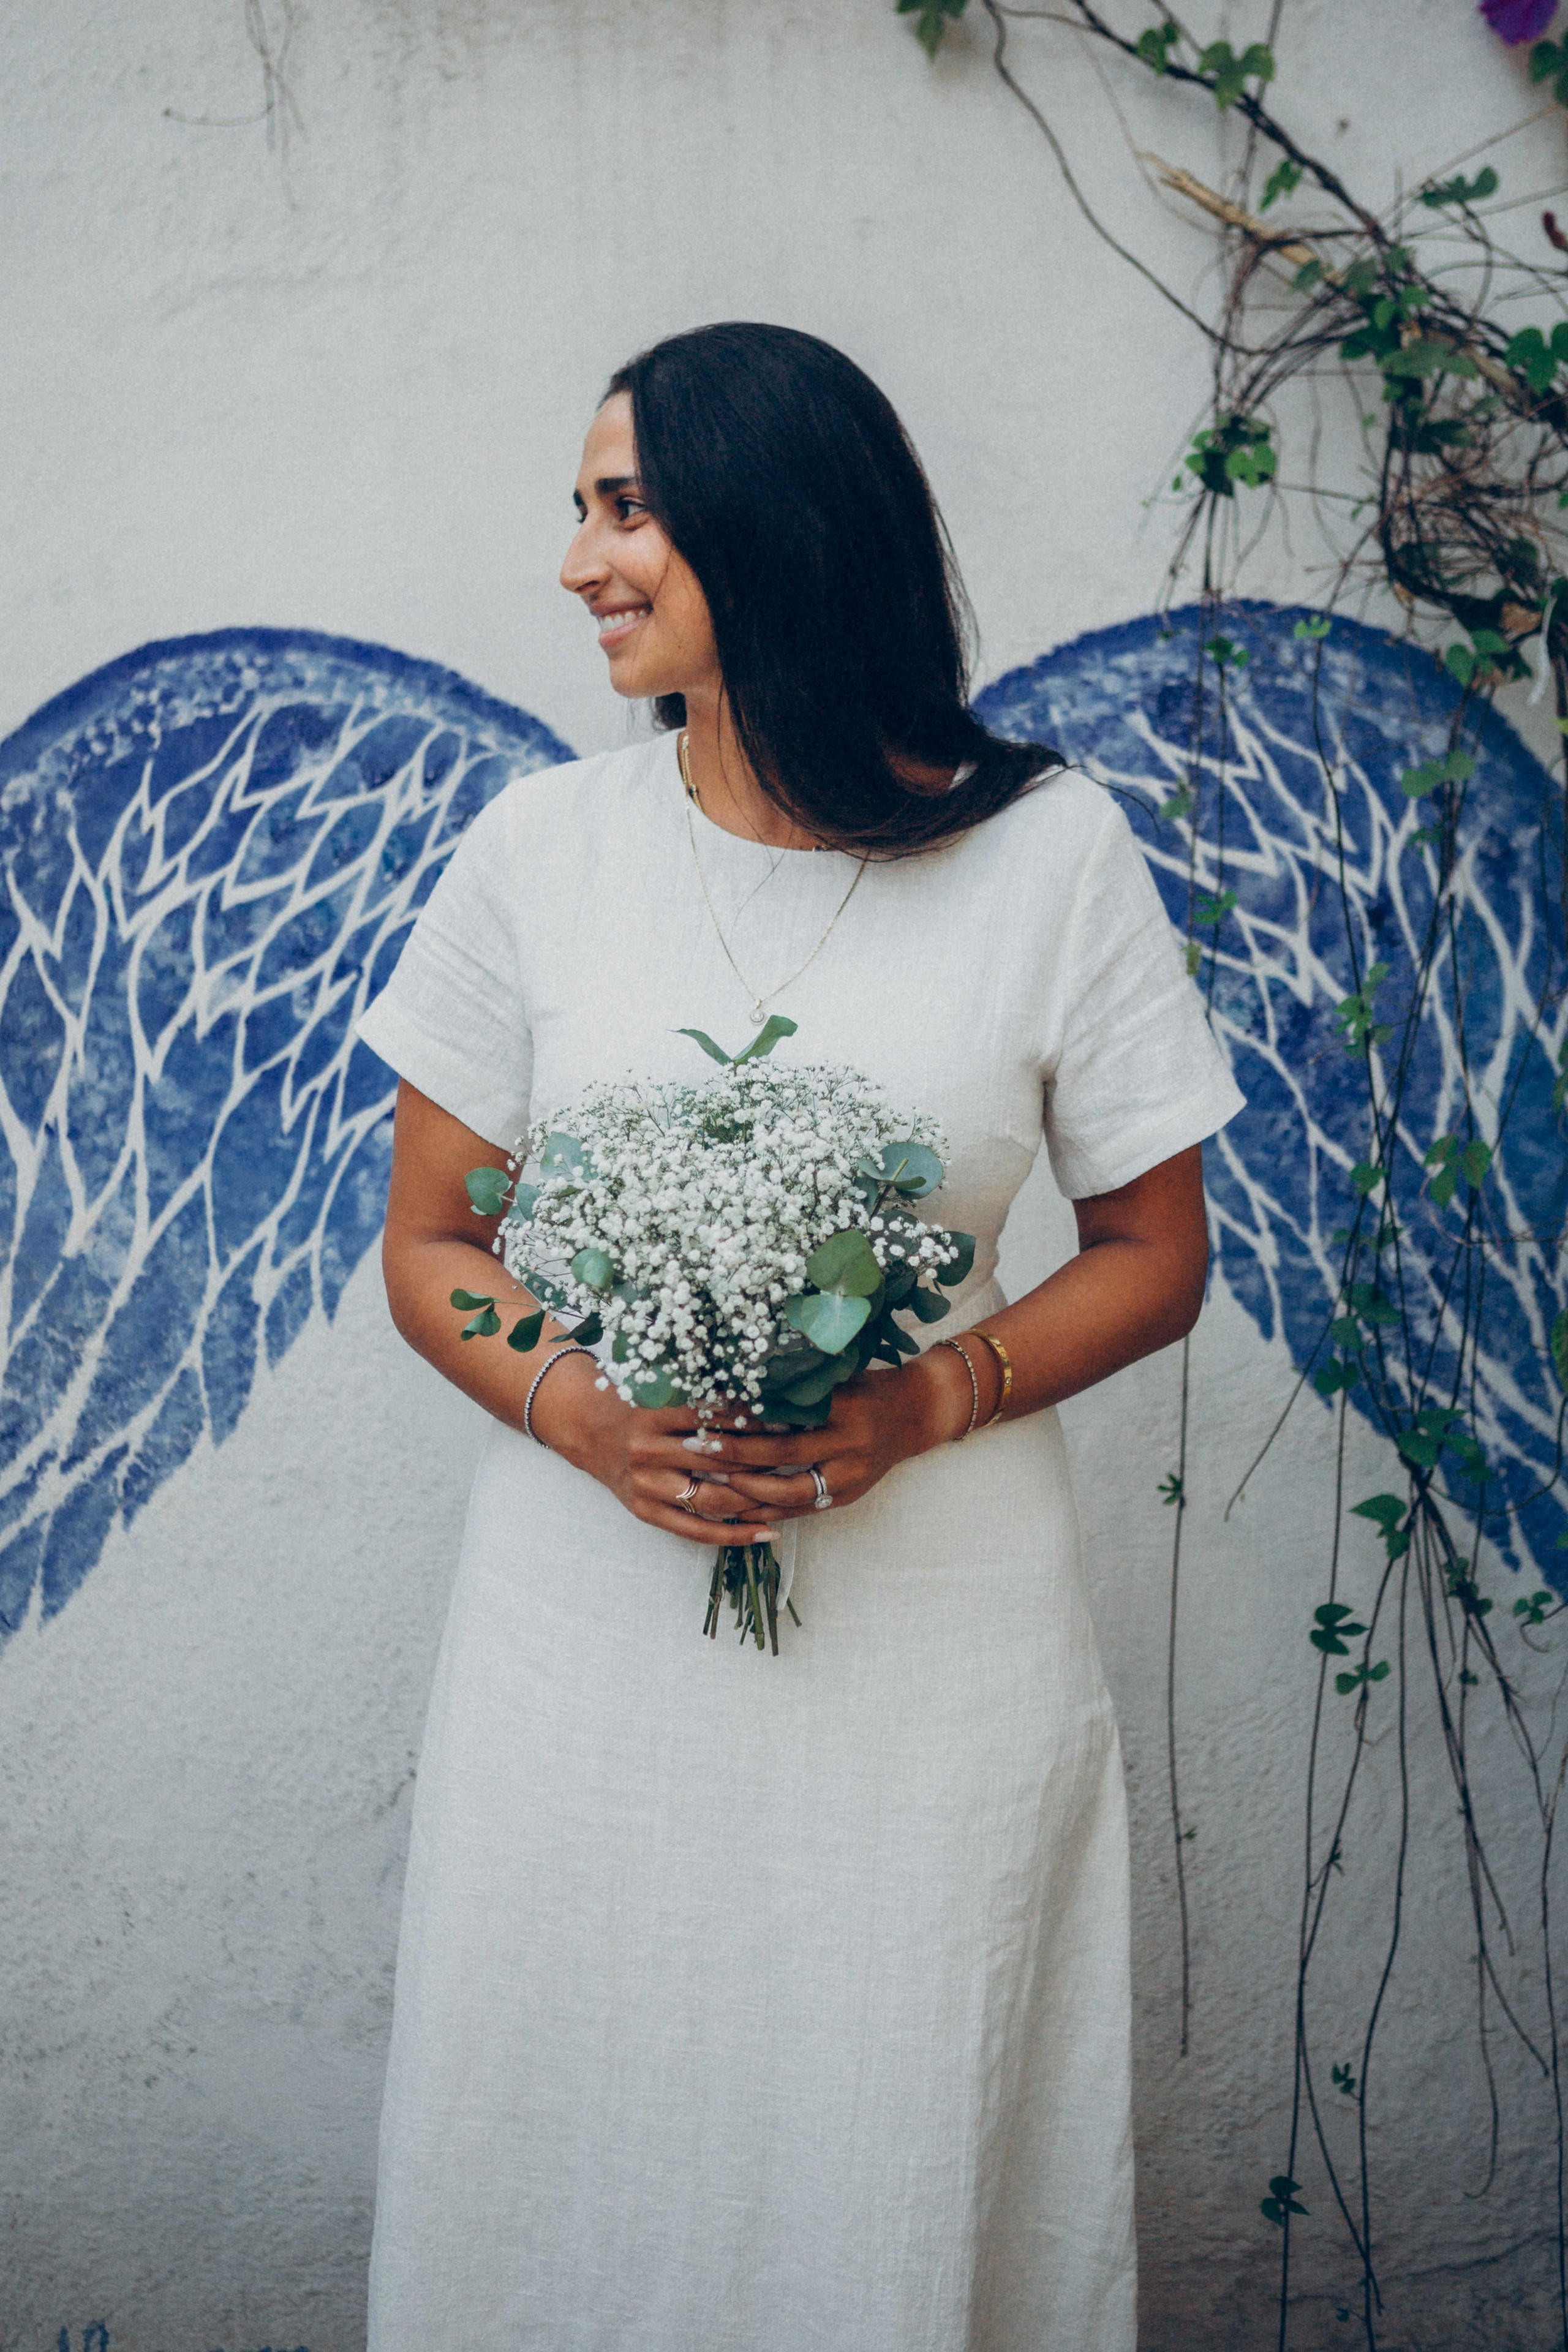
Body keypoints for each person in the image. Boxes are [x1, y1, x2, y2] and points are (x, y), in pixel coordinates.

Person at [356, 320, 1244, 2351]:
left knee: (901, 2112)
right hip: (586, 1648)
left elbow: (1153, 1249)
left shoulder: (1050, 854)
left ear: (775, 523)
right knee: (579, 2126)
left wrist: (935, 1391)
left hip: (940, 1646)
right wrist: (584, 1414)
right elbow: (426, 1246)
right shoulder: (539, 857)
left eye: (625, 508)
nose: (580, 561)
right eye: (583, 511)